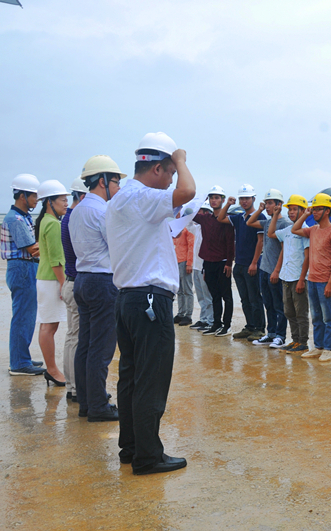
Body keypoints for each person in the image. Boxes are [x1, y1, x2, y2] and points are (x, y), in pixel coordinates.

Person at [106, 131, 195, 475]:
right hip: (149, 300)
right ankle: (148, 456)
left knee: (130, 378)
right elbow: (188, 191)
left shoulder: (121, 198)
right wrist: (181, 159)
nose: (173, 178)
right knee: (151, 379)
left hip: (128, 299)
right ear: (157, 168)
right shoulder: (144, 196)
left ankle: (131, 448)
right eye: (169, 172)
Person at [70, 155, 126, 421]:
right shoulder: (103, 211)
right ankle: (98, 407)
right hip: (102, 282)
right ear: (103, 181)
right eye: (115, 181)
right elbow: (117, 246)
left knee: (85, 345)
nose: (118, 187)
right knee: (101, 349)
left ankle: (86, 402)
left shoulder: (78, 210)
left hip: (83, 279)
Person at [292, 193, 331, 362]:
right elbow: (294, 229)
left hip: (325, 281)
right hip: (312, 279)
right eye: (313, 209)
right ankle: (318, 346)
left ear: (327, 211)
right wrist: (305, 214)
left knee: (328, 317)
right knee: (316, 316)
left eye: (318, 209)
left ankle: (329, 349)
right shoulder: (313, 230)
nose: (314, 212)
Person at [2, 173, 43, 375]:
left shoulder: (22, 216)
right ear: (22, 196)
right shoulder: (16, 219)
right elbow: (32, 249)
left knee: (26, 315)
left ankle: (21, 357)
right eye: (34, 195)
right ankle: (19, 363)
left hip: (24, 267)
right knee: (23, 316)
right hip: (22, 268)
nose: (37, 199)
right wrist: (50, 244)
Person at [218, 185, 266, 341]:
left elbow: (260, 242)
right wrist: (228, 204)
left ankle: (259, 328)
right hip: (239, 263)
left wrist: (254, 263)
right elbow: (220, 218)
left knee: (254, 298)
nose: (244, 201)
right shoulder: (239, 217)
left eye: (247, 198)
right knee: (245, 299)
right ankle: (250, 326)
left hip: (251, 264)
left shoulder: (260, 217)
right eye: (242, 198)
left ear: (253, 199)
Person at [34, 179, 69, 387]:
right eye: (62, 199)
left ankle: (51, 368)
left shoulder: (45, 221)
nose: (66, 203)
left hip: (46, 278)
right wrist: (63, 284)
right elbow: (56, 259)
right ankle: (52, 369)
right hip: (51, 279)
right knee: (49, 326)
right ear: (50, 202)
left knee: (47, 325)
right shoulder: (53, 224)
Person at [247, 189, 289, 348]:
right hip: (264, 269)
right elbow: (249, 222)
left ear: (279, 204)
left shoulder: (285, 224)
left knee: (279, 306)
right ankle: (271, 333)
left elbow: (285, 249)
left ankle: (281, 336)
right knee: (268, 304)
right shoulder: (266, 223)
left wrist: (277, 271)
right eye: (266, 203)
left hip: (275, 271)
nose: (267, 206)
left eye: (270, 203)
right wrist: (259, 209)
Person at [269, 194, 311, 353]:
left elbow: (307, 257)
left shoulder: (305, 231)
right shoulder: (287, 230)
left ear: (303, 211)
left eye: (294, 209)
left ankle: (303, 342)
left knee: (301, 312)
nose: (291, 212)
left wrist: (302, 279)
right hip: (286, 277)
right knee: (289, 311)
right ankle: (295, 340)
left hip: (298, 277)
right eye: (290, 209)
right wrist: (275, 215)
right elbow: (271, 233)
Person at [60, 177, 88, 401]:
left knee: (72, 337)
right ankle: (77, 388)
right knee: (77, 338)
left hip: (70, 281)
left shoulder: (67, 218)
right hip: (77, 281)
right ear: (83, 196)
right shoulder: (75, 219)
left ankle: (71, 386)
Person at [194, 186, 235, 336]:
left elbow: (230, 242)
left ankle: (227, 325)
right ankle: (216, 323)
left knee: (226, 295)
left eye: (217, 197)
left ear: (222, 200)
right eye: (211, 198)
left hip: (222, 262)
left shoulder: (227, 219)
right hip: (208, 262)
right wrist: (201, 199)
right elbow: (190, 213)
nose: (213, 200)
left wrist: (229, 263)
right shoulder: (205, 218)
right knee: (214, 295)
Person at [188, 202, 214, 330]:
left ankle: (211, 321)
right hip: (196, 267)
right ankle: (203, 319)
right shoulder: (197, 227)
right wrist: (189, 210)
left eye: (200, 211)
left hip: (205, 267)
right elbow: (187, 225)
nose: (198, 214)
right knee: (201, 297)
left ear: (206, 213)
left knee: (208, 296)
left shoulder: (210, 228)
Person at [172, 213, 194, 326]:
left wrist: (189, 263)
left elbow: (191, 246)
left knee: (187, 289)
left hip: (184, 261)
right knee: (179, 290)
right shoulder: (174, 227)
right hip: (175, 261)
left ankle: (188, 315)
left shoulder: (188, 227)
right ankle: (181, 313)